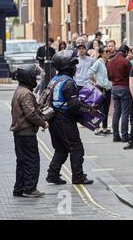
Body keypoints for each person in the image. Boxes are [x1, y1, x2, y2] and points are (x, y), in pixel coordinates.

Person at [46, 50, 94, 185]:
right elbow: (73, 105)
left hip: (53, 118)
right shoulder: (68, 82)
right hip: (65, 120)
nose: (75, 68)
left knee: (61, 149)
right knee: (76, 148)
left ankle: (52, 174)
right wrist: (88, 109)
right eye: (73, 65)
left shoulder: (54, 80)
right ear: (68, 67)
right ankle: (78, 177)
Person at [10, 64, 49, 198]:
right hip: (26, 133)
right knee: (32, 161)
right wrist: (43, 123)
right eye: (34, 77)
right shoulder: (26, 93)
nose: (35, 79)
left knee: (21, 162)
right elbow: (30, 113)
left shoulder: (19, 90)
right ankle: (30, 189)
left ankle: (19, 188)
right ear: (28, 78)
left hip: (19, 134)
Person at [107, 45, 132, 143]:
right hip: (125, 87)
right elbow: (131, 77)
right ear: (125, 52)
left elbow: (109, 77)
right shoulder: (126, 62)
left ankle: (115, 135)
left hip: (115, 87)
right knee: (125, 112)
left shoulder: (110, 62)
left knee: (116, 112)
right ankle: (125, 135)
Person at [88, 46, 112, 136]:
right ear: (101, 53)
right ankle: (97, 128)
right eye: (106, 51)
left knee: (106, 109)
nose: (108, 52)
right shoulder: (98, 62)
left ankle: (105, 128)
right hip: (100, 88)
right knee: (98, 109)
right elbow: (90, 72)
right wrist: (95, 81)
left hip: (108, 88)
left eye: (108, 51)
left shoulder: (108, 62)